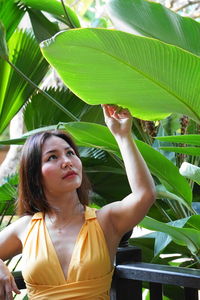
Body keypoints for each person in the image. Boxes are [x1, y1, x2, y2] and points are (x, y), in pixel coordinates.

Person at [0, 104, 155, 300]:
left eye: (70, 153)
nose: (67, 161)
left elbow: (144, 195)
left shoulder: (105, 221)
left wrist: (123, 136)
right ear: (34, 175)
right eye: (52, 157)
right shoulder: (26, 228)